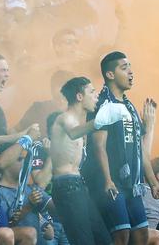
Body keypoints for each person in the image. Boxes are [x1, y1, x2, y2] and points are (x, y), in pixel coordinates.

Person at [83, 51, 159, 245]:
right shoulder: (102, 104)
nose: (131, 72)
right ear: (110, 74)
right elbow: (98, 146)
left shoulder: (129, 107)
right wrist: (107, 180)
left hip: (133, 186)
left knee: (142, 235)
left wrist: (153, 183)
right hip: (112, 184)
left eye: (130, 67)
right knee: (121, 235)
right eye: (124, 67)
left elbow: (140, 151)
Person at [48, 76, 113, 245]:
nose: (96, 96)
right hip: (67, 187)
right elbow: (73, 133)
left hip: (78, 186)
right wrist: (102, 118)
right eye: (91, 92)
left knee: (103, 240)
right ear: (79, 96)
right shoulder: (65, 118)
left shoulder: (79, 121)